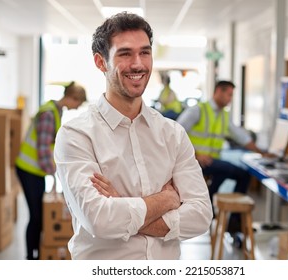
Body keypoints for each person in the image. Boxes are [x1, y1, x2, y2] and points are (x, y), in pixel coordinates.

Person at [53, 12, 212, 260]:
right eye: (125, 53)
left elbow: (201, 216)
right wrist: (165, 199)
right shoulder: (76, 135)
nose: (138, 64)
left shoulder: (172, 134)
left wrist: (122, 204)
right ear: (100, 62)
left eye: (145, 52)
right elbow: (99, 220)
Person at [176, 80, 264, 238]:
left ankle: (207, 209)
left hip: (210, 162)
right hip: (192, 161)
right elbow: (175, 134)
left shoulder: (224, 115)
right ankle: (231, 222)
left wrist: (262, 153)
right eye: (229, 94)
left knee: (226, 171)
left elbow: (241, 136)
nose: (230, 98)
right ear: (218, 92)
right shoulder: (198, 110)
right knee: (241, 174)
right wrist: (196, 154)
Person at [15, 81, 86, 260]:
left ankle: (38, 253)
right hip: (28, 169)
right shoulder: (49, 113)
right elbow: (43, 148)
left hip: (35, 170)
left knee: (39, 214)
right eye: (79, 103)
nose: (77, 107)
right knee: (36, 216)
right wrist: (54, 176)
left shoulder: (57, 111)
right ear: (73, 98)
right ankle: (30, 257)